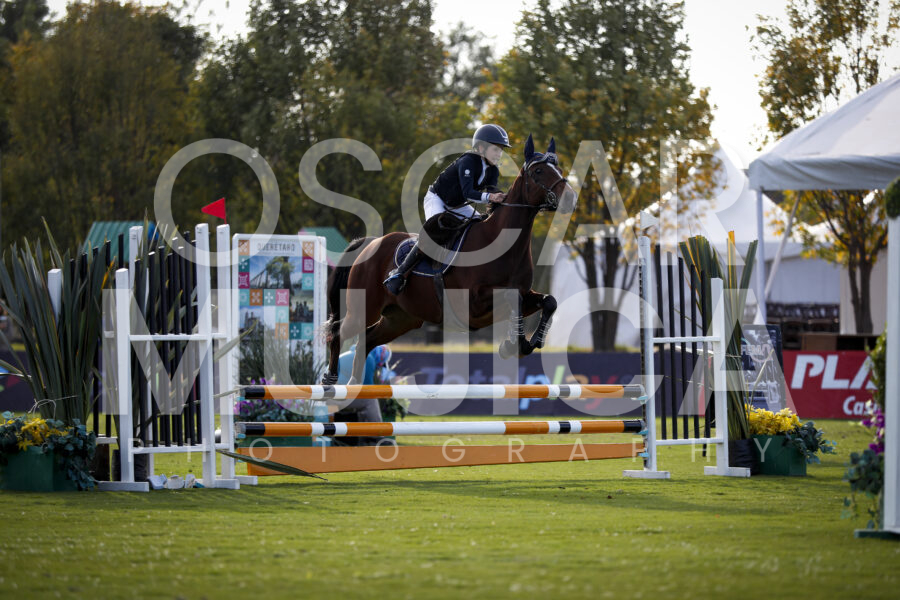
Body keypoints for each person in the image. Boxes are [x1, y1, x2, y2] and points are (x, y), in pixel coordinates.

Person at [383, 124, 512, 295]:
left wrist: (507, 199)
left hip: (457, 205)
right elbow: (469, 193)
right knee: (436, 230)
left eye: (501, 150)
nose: (499, 153)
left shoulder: (493, 170)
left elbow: (493, 191)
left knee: (480, 223)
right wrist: (490, 197)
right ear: (481, 148)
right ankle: (399, 273)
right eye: (496, 149)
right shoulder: (468, 161)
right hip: (437, 199)